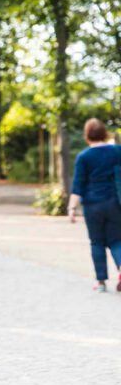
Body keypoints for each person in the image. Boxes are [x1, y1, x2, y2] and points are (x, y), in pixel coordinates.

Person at [68, 118, 121, 292]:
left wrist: (71, 208)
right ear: (104, 133)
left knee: (96, 242)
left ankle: (101, 281)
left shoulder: (84, 157)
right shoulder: (116, 151)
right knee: (116, 240)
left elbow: (78, 185)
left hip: (92, 205)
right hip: (114, 203)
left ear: (87, 135)